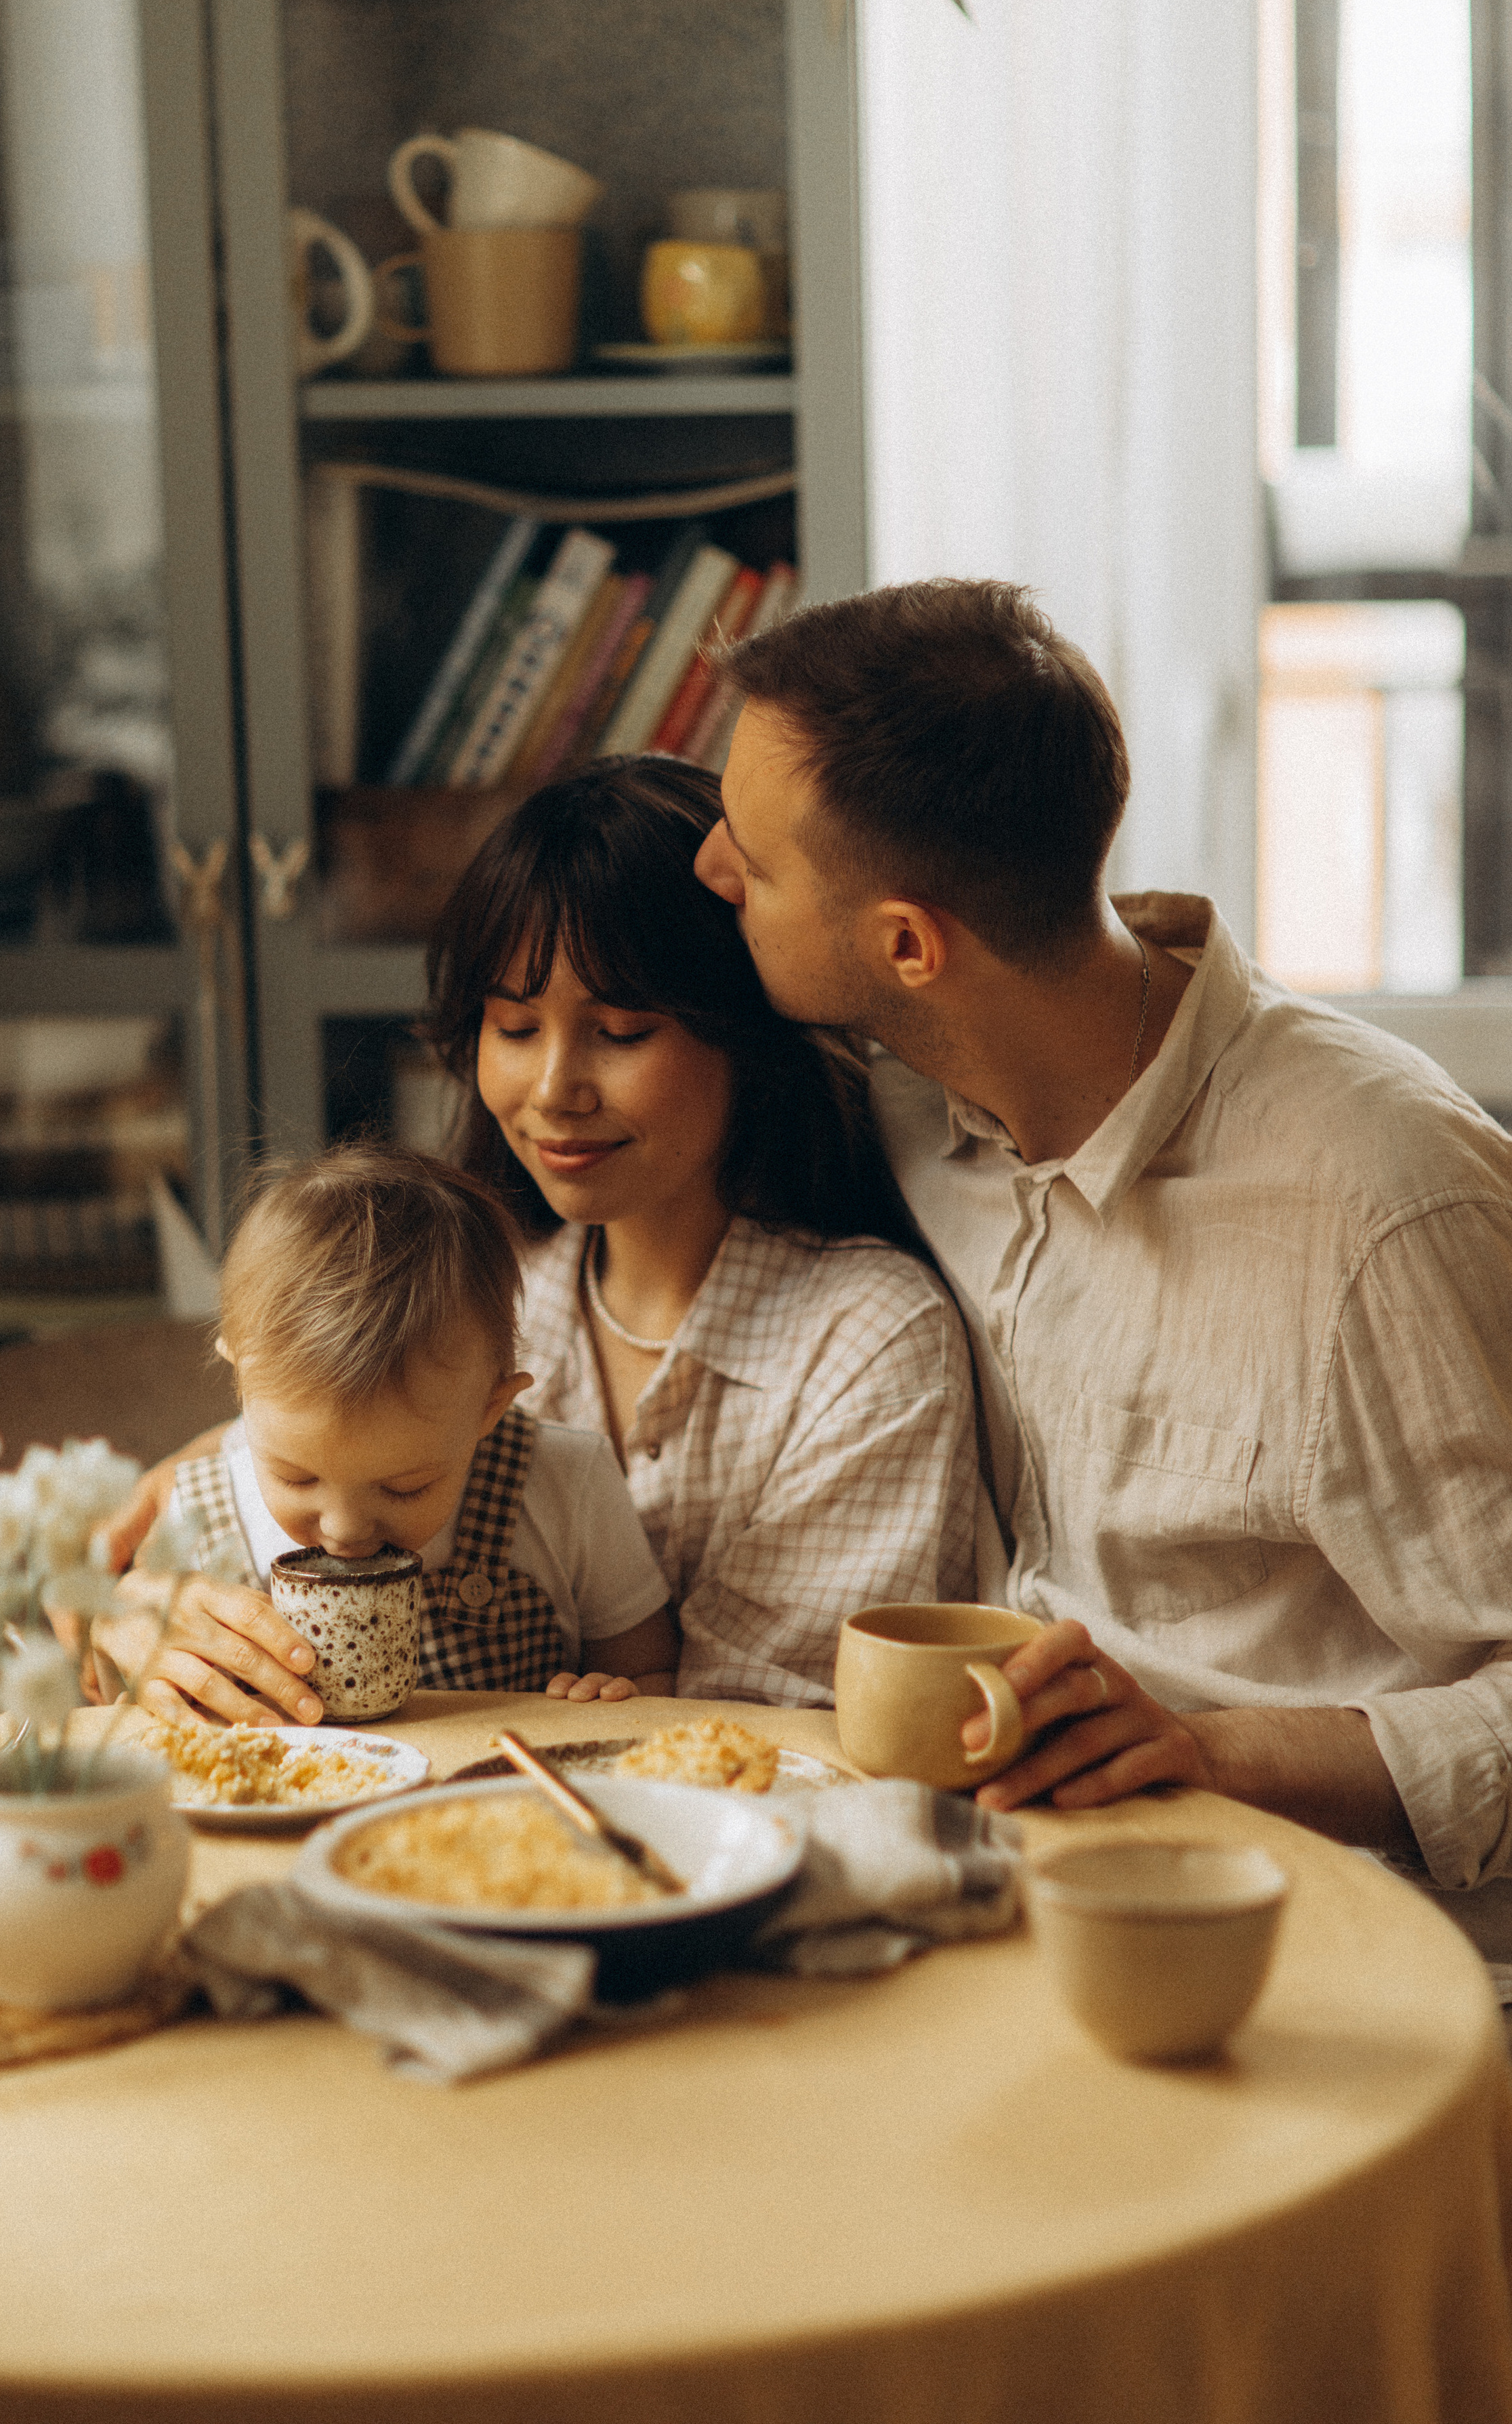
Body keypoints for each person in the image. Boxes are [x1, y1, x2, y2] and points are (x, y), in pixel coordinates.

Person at [693, 574, 1512, 1940]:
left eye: (750, 859)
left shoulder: (1379, 1200)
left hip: (1357, 1956)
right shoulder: (895, 1093)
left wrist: (1205, 1751)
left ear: (907, 944)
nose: (710, 871)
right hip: (1029, 1906)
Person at [109, 756, 980, 1708]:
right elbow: (216, 1484)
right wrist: (135, 1614)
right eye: (515, 1028)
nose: (555, 1090)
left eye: (620, 1031)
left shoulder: (865, 1343)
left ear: (744, 1035)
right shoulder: (473, 1290)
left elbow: (764, 1733)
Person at [93, 1144, 677, 1724]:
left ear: (490, 1409)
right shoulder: (193, 1515)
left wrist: (613, 1697)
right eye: (296, 1477)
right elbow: (130, 1681)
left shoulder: (568, 1487)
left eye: (405, 1488)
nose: (345, 1532)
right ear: (242, 1383)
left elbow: (650, 1672)